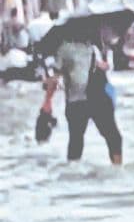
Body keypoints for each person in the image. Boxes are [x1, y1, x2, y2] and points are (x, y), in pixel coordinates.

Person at [40, 35, 122, 164]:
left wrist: (47, 100)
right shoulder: (92, 47)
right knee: (113, 138)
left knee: (76, 141)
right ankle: (118, 170)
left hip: (77, 101)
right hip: (96, 98)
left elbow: (55, 78)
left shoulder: (67, 49)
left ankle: (73, 175)